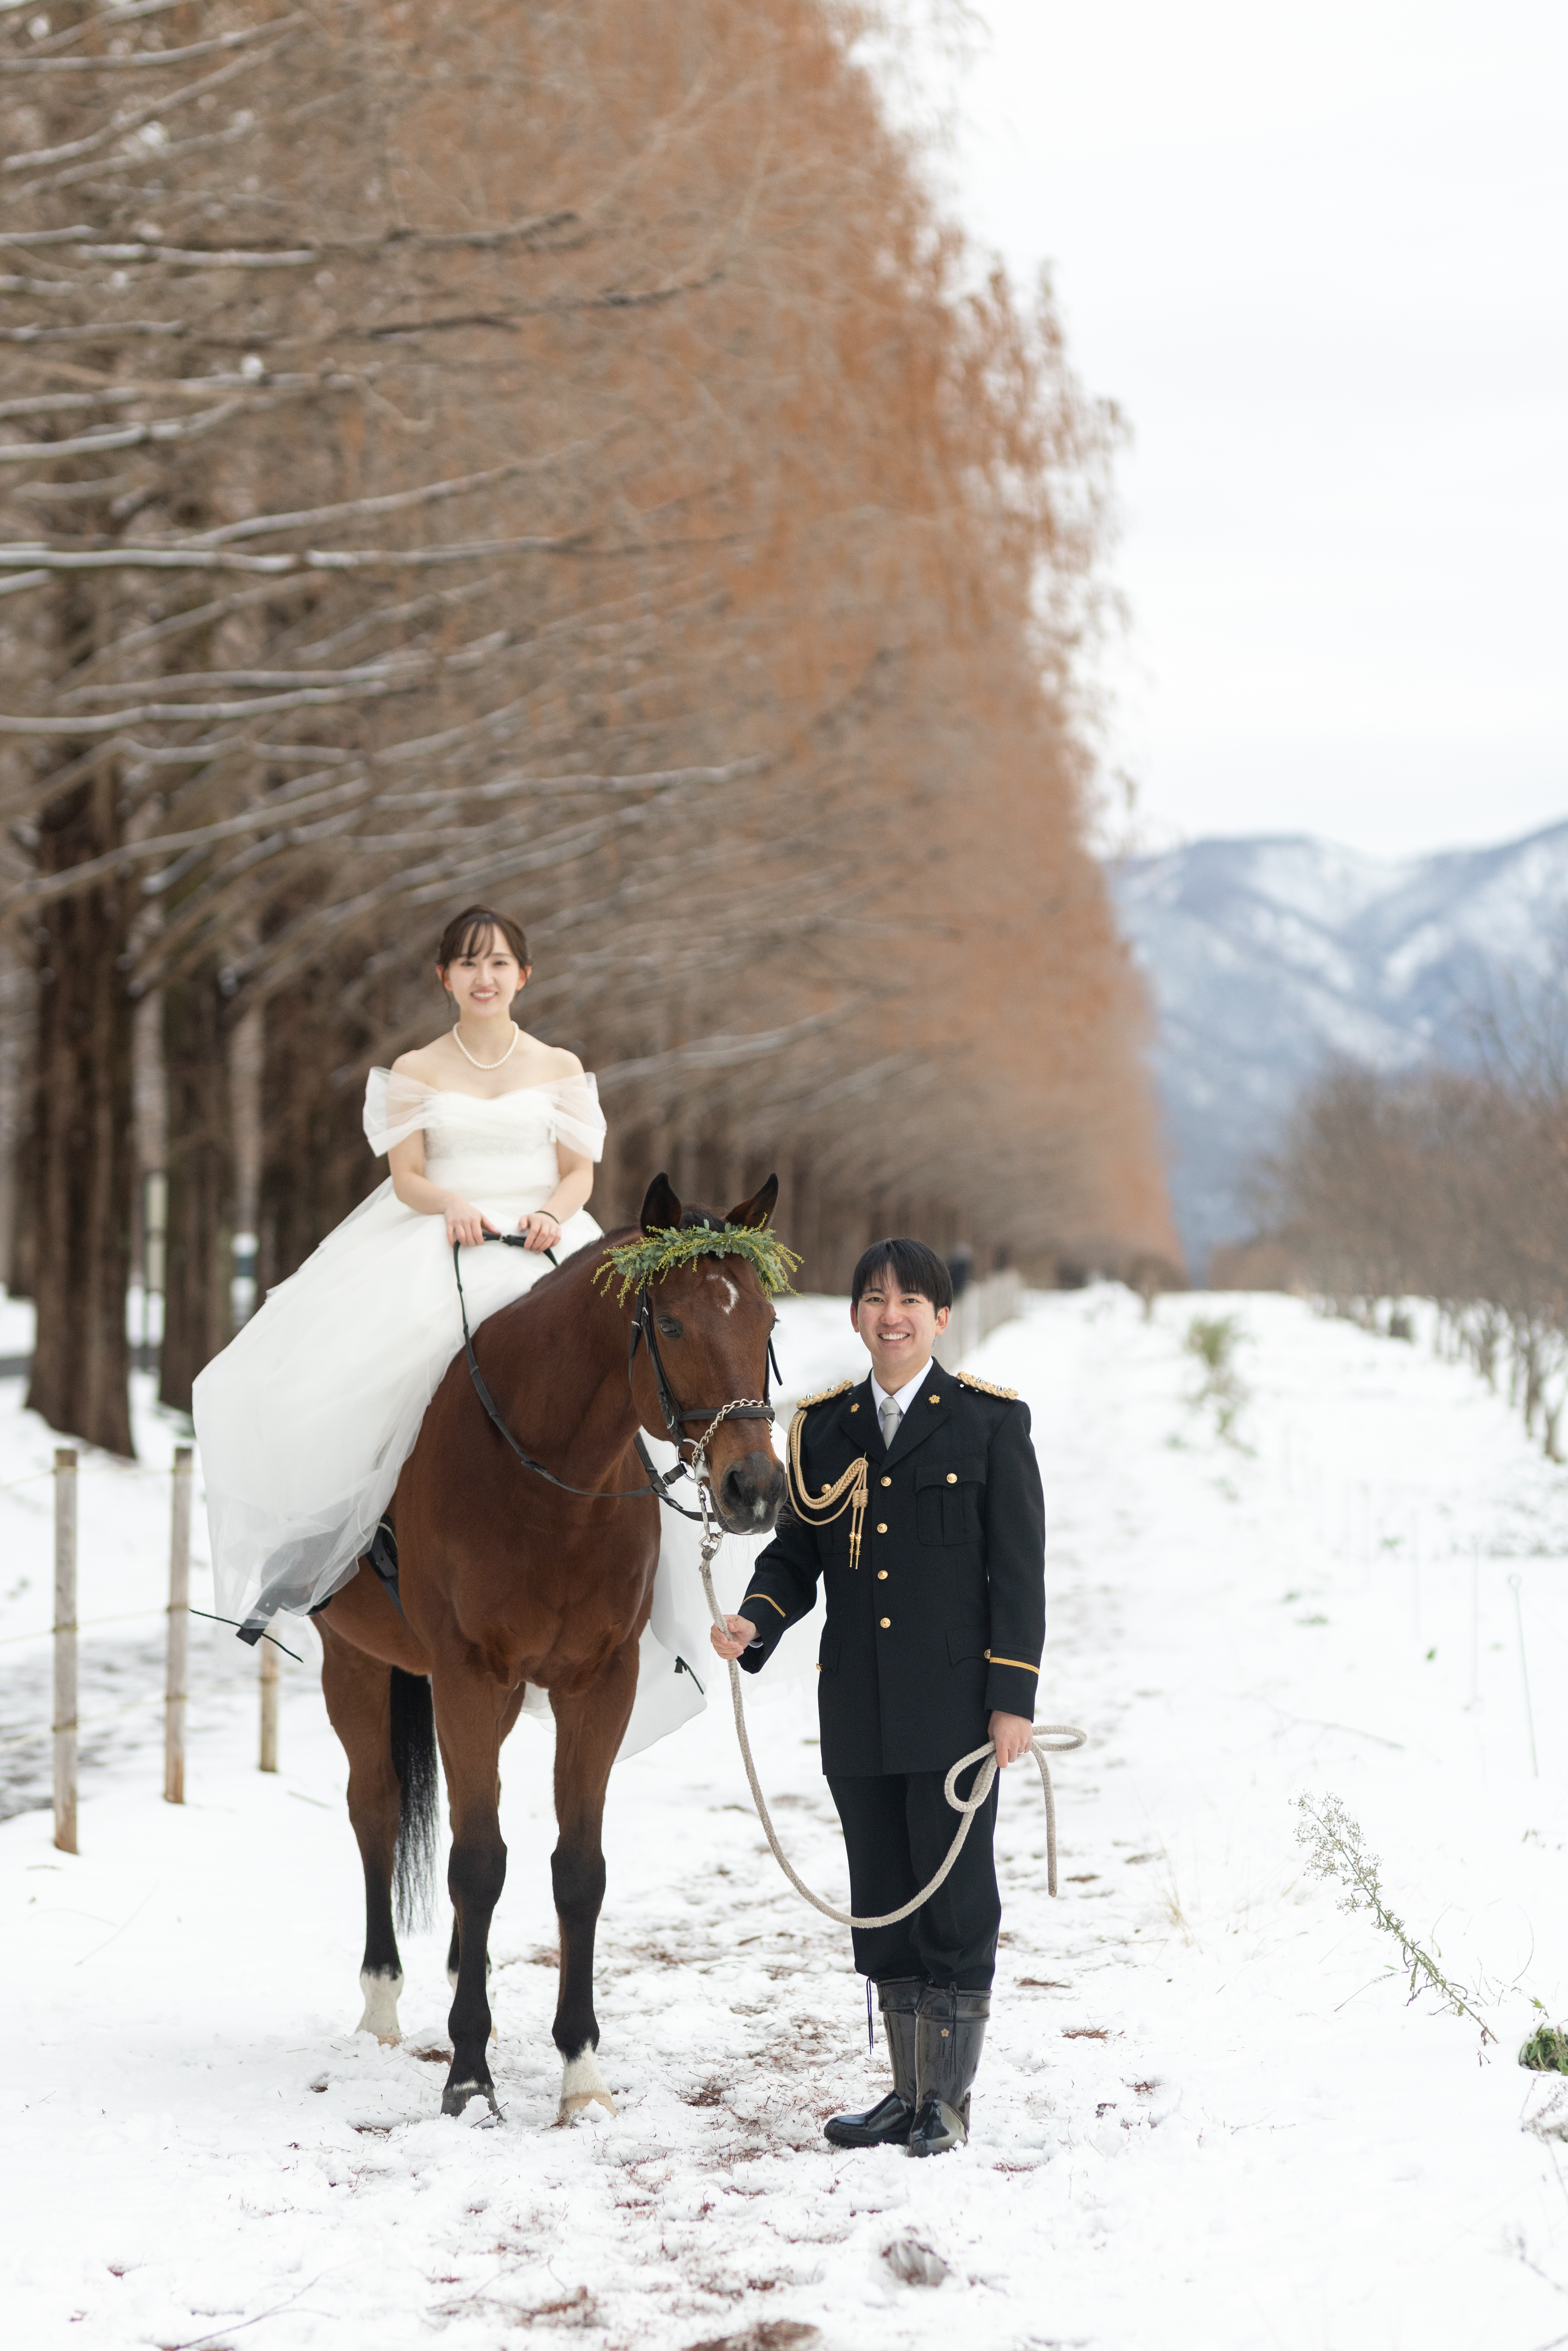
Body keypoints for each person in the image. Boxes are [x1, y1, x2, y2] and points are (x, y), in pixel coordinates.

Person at [192, 905, 709, 1755]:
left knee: (629, 1391)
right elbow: (405, 1175)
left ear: (524, 976)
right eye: (468, 963)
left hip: (546, 1244)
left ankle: (667, 1598)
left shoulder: (561, 1066)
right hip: (444, 1241)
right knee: (378, 1379)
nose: (485, 976)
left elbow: (580, 1171)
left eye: (500, 963)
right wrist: (452, 1204)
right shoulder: (416, 1067)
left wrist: (550, 1212)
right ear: (443, 977)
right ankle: (334, 1550)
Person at [710, 1236, 1045, 2156]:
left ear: (942, 1316)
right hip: (857, 1711)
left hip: (956, 1715)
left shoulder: (989, 1424)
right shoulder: (821, 1427)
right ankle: (905, 2095)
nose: (890, 1314)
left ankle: (948, 2101)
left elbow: (1019, 1576)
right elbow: (795, 1556)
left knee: (955, 1900)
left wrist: (1011, 1700)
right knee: (884, 1899)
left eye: (910, 1300)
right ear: (855, 1316)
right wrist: (756, 1621)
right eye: (873, 1298)